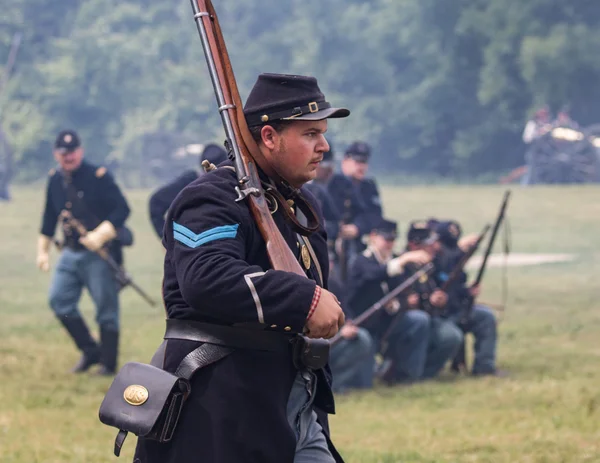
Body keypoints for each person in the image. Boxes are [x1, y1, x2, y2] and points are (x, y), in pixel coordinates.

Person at [133, 73, 349, 463]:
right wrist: (303, 299)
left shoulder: (301, 205)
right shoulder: (210, 198)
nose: (324, 145)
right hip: (221, 406)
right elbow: (207, 278)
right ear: (269, 137)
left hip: (292, 396)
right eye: (310, 133)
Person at [35, 129, 131, 375]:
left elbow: (122, 209)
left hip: (99, 254)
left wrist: (100, 235)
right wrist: (43, 249)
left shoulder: (98, 176)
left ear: (81, 151)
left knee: (106, 310)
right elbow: (49, 214)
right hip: (70, 252)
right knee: (59, 301)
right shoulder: (55, 179)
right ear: (57, 154)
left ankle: (108, 364)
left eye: (73, 151)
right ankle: (90, 351)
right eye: (64, 153)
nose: (69, 157)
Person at [347, 219, 432, 385]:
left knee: (418, 320)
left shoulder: (395, 261)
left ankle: (408, 376)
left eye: (392, 240)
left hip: (389, 321)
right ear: (373, 237)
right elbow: (374, 275)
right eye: (386, 239)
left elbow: (402, 291)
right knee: (363, 383)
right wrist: (403, 260)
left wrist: (397, 304)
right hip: (365, 324)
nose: (389, 244)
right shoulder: (361, 261)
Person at [434, 220, 505, 377]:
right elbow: (444, 269)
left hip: (457, 308)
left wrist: (467, 292)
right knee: (451, 334)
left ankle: (484, 367)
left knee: (485, 317)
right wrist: (460, 249)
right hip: (439, 315)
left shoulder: (452, 258)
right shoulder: (434, 258)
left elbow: (455, 288)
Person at [401, 222, 464, 380]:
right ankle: (406, 375)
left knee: (452, 336)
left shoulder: (433, 264)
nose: (435, 247)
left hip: (430, 317)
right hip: (403, 322)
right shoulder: (402, 266)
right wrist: (406, 302)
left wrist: (440, 299)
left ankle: (426, 374)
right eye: (429, 244)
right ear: (414, 245)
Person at [148, 143, 228, 238]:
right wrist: (168, 237)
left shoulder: (189, 182)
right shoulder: (189, 182)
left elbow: (156, 201)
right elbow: (156, 201)